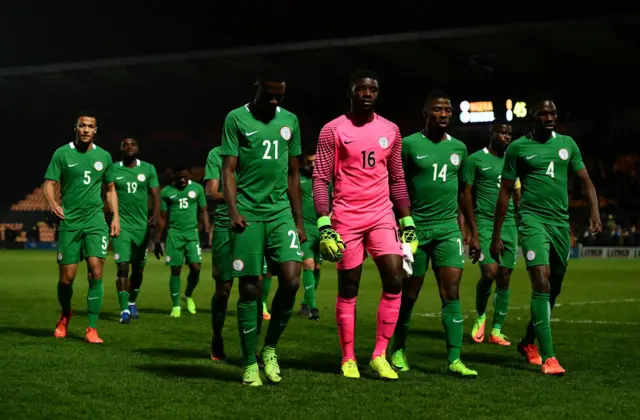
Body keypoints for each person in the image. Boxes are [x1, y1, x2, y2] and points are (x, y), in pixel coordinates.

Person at [313, 69, 416, 381]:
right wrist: (324, 223)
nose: (367, 94)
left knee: (396, 279)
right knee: (349, 287)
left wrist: (407, 221)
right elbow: (320, 178)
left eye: (372, 89)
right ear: (351, 92)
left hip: (382, 215)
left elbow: (397, 178)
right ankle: (348, 358)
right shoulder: (333, 130)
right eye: (361, 89)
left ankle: (379, 355)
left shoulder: (392, 130)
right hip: (347, 217)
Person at [491, 94, 602, 375]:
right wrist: (496, 234)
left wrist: (595, 214)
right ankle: (549, 357)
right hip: (531, 221)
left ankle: (528, 342)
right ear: (534, 117)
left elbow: (585, 181)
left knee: (554, 287)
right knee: (540, 280)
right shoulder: (518, 148)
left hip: (560, 224)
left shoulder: (567, 144)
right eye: (543, 114)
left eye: (553, 113)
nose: (549, 118)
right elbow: (505, 191)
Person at [221, 68, 305, 386]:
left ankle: (269, 349)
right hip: (248, 214)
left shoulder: (290, 121)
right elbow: (229, 169)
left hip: (280, 213)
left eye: (279, 96)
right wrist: (232, 209)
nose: (273, 100)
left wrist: (298, 221)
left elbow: (294, 174)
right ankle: (248, 362)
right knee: (250, 288)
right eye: (268, 94)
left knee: (291, 280)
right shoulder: (235, 119)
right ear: (256, 87)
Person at [390, 89, 479, 377]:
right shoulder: (408, 145)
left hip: (447, 230)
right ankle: (398, 350)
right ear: (425, 114)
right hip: (415, 230)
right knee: (409, 294)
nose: (443, 115)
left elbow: (465, 194)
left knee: (451, 292)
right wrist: (399, 225)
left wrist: (473, 233)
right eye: (438, 110)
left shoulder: (460, 149)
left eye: (448, 110)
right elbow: (397, 188)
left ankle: (454, 359)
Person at [44, 111, 120, 344]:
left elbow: (110, 189)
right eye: (82, 126)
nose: (86, 130)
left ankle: (92, 328)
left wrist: (115, 217)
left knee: (96, 271)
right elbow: (49, 183)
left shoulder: (105, 156)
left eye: (91, 126)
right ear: (75, 128)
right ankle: (65, 314)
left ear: (96, 131)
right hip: (70, 222)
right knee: (67, 279)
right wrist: (54, 204)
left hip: (95, 220)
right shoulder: (62, 153)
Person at [462, 119, 520, 345]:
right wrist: (471, 232)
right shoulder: (475, 160)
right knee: (489, 273)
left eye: (510, 133)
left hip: (508, 225)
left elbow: (517, 189)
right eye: (503, 132)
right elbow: (465, 194)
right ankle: (480, 316)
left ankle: (497, 330)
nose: (507, 136)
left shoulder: (512, 161)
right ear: (491, 132)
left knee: (505, 276)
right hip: (485, 223)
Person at [108, 138, 160, 323]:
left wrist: (154, 219)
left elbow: (156, 195)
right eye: (125, 144)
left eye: (133, 144)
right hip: (121, 226)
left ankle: (131, 302)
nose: (129, 147)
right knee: (122, 266)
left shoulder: (148, 168)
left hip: (141, 227)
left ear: (138, 148)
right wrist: (112, 218)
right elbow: (107, 192)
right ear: (121, 149)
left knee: (138, 270)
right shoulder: (113, 168)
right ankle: (124, 311)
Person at [156, 166, 209, 317]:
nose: (182, 180)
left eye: (185, 177)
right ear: (174, 177)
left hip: (192, 233)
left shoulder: (197, 189)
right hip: (174, 234)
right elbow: (162, 217)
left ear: (189, 176)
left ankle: (187, 295)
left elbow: (203, 210)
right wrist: (158, 238)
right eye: (179, 177)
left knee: (196, 267)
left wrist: (205, 231)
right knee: (176, 270)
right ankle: (176, 306)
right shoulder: (167, 192)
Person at [204, 146, 232, 360]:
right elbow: (211, 193)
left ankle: (253, 351)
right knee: (223, 289)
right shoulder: (217, 154)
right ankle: (217, 337)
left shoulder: (260, 148)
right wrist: (241, 196)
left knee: (255, 287)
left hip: (257, 222)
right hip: (225, 224)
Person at [298, 152, 324, 320]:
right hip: (305, 228)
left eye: (316, 161)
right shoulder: (297, 178)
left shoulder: (325, 180)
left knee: (317, 267)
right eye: (310, 162)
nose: (313, 164)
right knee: (308, 263)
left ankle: (305, 303)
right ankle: (313, 308)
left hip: (321, 229)